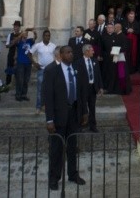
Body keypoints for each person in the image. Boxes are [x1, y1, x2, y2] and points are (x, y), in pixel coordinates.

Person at [43, 45, 88, 190]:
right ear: (61, 55)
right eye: (67, 52)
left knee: (72, 146)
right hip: (58, 115)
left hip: (74, 113)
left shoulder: (76, 69)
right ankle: (54, 177)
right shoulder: (52, 71)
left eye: (71, 52)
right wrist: (49, 119)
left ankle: (73, 174)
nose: (71, 54)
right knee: (56, 148)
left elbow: (81, 92)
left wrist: (84, 111)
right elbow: (48, 96)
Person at [75, 43, 102, 132]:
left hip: (92, 88)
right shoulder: (78, 62)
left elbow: (98, 74)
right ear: (86, 52)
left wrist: (100, 87)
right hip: (83, 89)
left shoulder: (95, 61)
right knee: (81, 107)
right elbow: (77, 78)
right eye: (92, 50)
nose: (93, 52)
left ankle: (93, 125)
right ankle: (80, 125)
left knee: (92, 107)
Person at [30, 29, 56, 114]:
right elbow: (29, 53)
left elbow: (57, 55)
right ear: (43, 36)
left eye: (48, 36)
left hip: (51, 71)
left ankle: (48, 106)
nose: (47, 37)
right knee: (40, 89)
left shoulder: (53, 46)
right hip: (41, 70)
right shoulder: (38, 45)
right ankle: (38, 107)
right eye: (46, 35)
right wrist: (34, 63)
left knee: (50, 89)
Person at [14, 29, 34, 101]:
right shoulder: (19, 41)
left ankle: (24, 94)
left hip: (28, 63)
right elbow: (14, 42)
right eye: (24, 33)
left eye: (26, 33)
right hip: (20, 63)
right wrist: (20, 35)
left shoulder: (30, 41)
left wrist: (31, 30)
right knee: (20, 80)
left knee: (26, 80)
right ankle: (18, 95)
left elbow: (35, 37)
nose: (26, 34)